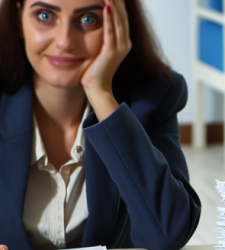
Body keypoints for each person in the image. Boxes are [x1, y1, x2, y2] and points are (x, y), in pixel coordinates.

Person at [0, 0, 201, 249]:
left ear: (118, 24)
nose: (64, 41)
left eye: (88, 19)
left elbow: (168, 234)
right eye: (44, 15)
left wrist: (102, 94)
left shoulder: (155, 96)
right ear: (19, 18)